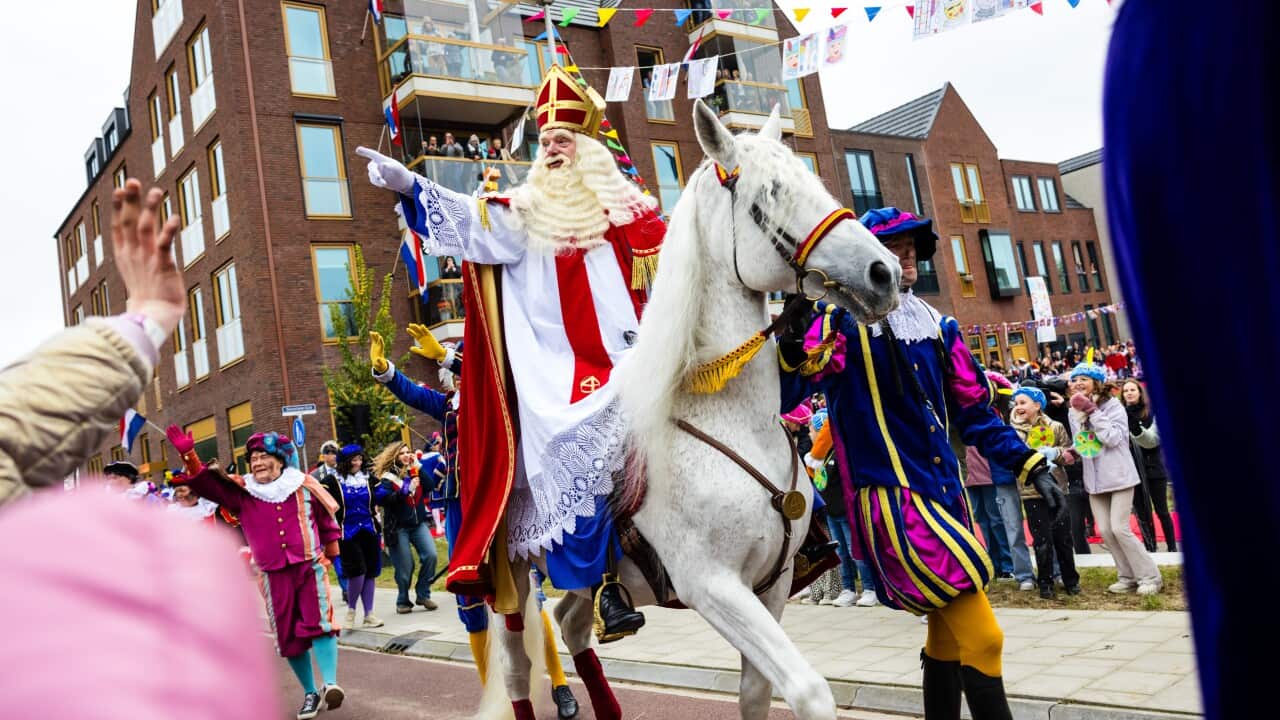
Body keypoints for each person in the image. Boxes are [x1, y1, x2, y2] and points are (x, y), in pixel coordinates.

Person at [357, 64, 666, 671]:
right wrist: (412, 189)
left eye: (563, 139)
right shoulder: (523, 210)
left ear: (590, 147)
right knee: (580, 442)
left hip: (638, 351)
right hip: (561, 372)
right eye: (545, 139)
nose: (550, 148)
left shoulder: (635, 211)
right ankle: (603, 588)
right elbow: (475, 222)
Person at [779, 206, 1065, 719]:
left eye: (911, 245)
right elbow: (795, 388)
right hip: (892, 498)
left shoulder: (939, 326)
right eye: (894, 245)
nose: (906, 253)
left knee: (947, 635)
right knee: (986, 637)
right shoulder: (844, 325)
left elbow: (975, 414)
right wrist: (796, 339)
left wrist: (1030, 464)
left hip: (945, 497)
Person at [368, 330, 580, 718]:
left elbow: (494, 379)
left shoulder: (499, 396)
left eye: (467, 366)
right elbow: (413, 395)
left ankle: (561, 683)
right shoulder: (448, 405)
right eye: (460, 369)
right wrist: (385, 371)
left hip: (501, 501)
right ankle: (492, 696)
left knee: (528, 592)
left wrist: (447, 357)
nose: (464, 376)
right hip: (459, 504)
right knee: (469, 599)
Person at [168, 428, 345, 719]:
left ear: (279, 460)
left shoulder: (302, 484)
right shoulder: (243, 491)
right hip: (271, 573)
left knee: (321, 621)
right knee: (287, 636)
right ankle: (310, 693)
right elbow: (206, 486)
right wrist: (189, 455)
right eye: (253, 458)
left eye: (263, 456)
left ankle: (330, 684)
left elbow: (326, 519)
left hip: (308, 564)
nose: (257, 462)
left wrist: (333, 553)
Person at [1067, 363, 1162, 595]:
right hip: (1095, 479)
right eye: (1075, 378)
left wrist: (1092, 411)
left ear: (1096, 382)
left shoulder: (1113, 406)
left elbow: (1112, 438)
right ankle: (1127, 576)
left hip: (1119, 475)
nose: (1078, 382)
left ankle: (1150, 576)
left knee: (1120, 529)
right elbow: (1086, 441)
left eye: (1084, 378)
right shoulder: (1073, 410)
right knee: (1107, 531)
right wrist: (1071, 451)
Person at [1009, 386, 1081, 599]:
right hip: (1031, 491)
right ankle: (1045, 582)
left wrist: (1054, 453)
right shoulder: (1013, 431)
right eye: (1016, 403)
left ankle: (1071, 580)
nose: (1018, 407)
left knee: (1063, 537)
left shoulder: (1055, 426)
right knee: (1041, 539)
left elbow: (1070, 453)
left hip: (1058, 489)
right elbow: (1013, 458)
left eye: (1023, 402)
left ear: (1037, 405)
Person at [809, 418, 879, 607]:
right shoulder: (821, 457)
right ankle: (848, 588)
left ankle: (869, 588)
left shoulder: (843, 453)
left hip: (846, 510)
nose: (811, 434)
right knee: (840, 552)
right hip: (831, 511)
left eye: (813, 430)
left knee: (853, 549)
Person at [320, 444, 388, 630]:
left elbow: (383, 497)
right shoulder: (332, 481)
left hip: (370, 530)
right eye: (353, 460)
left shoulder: (369, 479)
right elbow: (320, 498)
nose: (358, 463)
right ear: (344, 462)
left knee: (371, 572)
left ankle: (369, 614)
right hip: (347, 532)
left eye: (360, 459)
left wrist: (401, 487)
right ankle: (351, 611)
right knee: (357, 572)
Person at [370, 440, 438, 614]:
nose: (407, 455)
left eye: (409, 452)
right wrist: (404, 491)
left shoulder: (415, 472)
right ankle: (403, 599)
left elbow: (430, 486)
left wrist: (420, 468)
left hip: (418, 524)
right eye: (402, 453)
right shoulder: (387, 477)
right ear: (395, 457)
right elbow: (383, 499)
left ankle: (423, 593)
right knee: (406, 566)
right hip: (398, 527)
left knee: (431, 555)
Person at [1122, 380, 1177, 552]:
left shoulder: (1152, 414)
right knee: (1142, 512)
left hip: (1154, 469)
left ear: (1140, 393)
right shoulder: (1119, 415)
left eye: (1133, 390)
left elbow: (1152, 441)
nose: (1129, 393)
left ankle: (1172, 548)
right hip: (1133, 471)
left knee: (1162, 511)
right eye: (1125, 391)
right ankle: (1150, 548)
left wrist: (1135, 428)